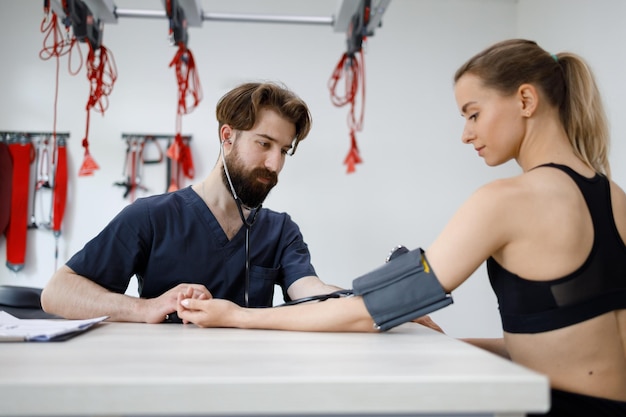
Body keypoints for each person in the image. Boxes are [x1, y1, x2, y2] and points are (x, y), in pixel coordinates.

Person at [174, 40, 626, 416]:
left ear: (525, 100)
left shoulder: (506, 201)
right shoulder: (613, 196)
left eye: (472, 113)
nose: (466, 134)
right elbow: (567, 344)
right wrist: (443, 344)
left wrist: (238, 316)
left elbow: (367, 309)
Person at [41, 81, 341, 323]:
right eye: (264, 144)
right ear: (228, 137)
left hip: (250, 381)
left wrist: (366, 294)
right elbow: (57, 292)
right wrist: (145, 308)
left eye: (284, 151)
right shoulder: (150, 216)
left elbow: (309, 290)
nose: (275, 164)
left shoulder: (281, 230)